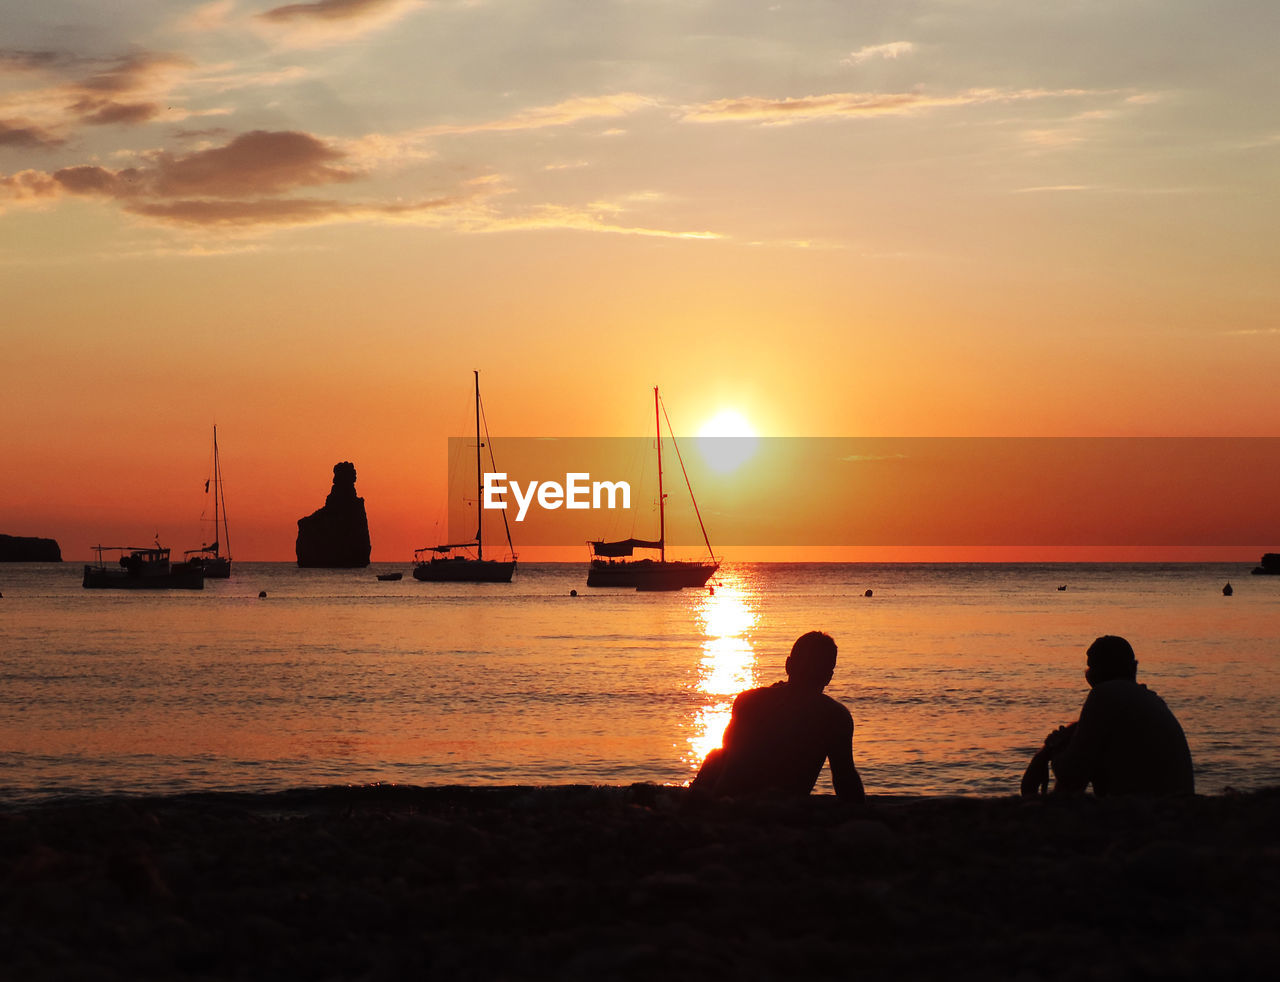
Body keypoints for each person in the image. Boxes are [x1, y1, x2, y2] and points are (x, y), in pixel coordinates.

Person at [691, 631, 865, 802]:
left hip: (730, 803)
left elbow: (729, 754)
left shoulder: (748, 701)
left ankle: (693, 803)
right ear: (828, 677)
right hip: (783, 808)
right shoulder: (835, 717)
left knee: (717, 754)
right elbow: (845, 778)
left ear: (788, 665)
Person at [1021, 635, 1194, 797]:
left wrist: (1051, 752)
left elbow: (1071, 775)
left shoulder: (1104, 694)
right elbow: (1088, 733)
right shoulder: (1148, 698)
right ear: (1133, 667)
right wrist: (1053, 747)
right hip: (1176, 810)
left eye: (1089, 667)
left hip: (1147, 815)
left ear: (1095, 672)